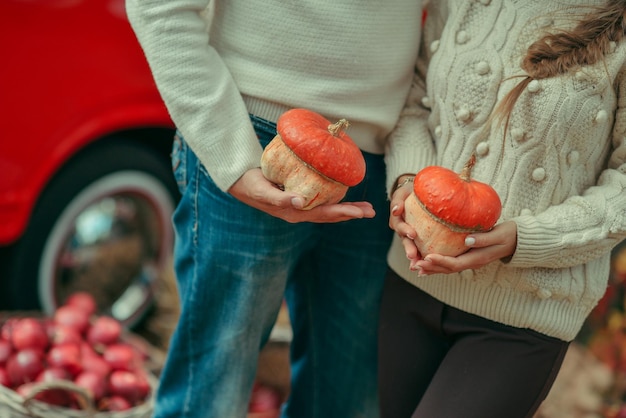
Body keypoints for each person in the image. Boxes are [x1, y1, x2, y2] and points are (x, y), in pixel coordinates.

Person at [125, 1, 425, 417]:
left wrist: (408, 171)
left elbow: (435, 50)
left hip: (373, 162)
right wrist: (233, 157)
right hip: (258, 139)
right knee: (211, 392)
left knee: (349, 399)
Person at [380, 1, 626, 417]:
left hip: (523, 314)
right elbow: (414, 101)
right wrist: (407, 183)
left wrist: (521, 238)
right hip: (411, 282)